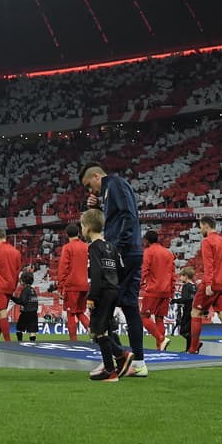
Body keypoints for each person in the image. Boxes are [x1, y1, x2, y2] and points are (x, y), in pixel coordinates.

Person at [80, 161, 148, 377]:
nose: (90, 190)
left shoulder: (115, 184)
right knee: (129, 306)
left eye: (88, 185)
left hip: (125, 252)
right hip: (132, 251)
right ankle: (138, 363)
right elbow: (118, 218)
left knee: (103, 301)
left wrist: (115, 249)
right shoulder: (110, 191)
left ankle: (116, 358)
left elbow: (129, 216)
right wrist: (98, 207)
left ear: (97, 176)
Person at [82, 209, 127, 382]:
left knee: (98, 331)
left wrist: (92, 296)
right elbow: (121, 269)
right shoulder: (111, 246)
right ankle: (120, 358)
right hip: (114, 290)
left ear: (87, 228)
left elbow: (95, 272)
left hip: (102, 292)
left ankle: (110, 370)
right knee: (103, 329)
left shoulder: (94, 247)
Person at [189, 216, 222, 358]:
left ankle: (193, 348)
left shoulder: (207, 241)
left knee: (195, 312)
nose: (200, 229)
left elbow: (208, 264)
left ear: (205, 226)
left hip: (211, 284)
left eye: (200, 226)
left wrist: (209, 283)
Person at [140, 229, 176, 351]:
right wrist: (172, 291)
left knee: (144, 316)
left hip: (153, 290)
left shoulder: (148, 252)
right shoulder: (168, 253)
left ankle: (161, 339)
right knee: (160, 318)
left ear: (146, 240)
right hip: (166, 291)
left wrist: (138, 285)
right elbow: (172, 274)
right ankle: (160, 348)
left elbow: (144, 271)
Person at [56, 222, 90, 341]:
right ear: (78, 233)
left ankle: (73, 341)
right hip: (84, 285)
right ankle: (92, 331)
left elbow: (63, 268)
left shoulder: (67, 248)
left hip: (72, 285)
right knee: (80, 312)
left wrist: (60, 287)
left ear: (67, 235)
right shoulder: (86, 246)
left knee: (71, 313)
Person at [11, 271, 40, 342]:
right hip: (34, 313)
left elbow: (22, 301)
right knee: (32, 331)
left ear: (23, 280)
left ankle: (20, 342)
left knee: (19, 328)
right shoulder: (33, 290)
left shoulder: (25, 290)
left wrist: (11, 297)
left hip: (26, 313)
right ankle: (33, 344)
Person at [173, 266, 196, 344]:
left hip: (187, 311)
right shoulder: (195, 286)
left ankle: (195, 344)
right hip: (194, 311)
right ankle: (189, 348)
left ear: (186, 276)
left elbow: (185, 299)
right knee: (189, 331)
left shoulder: (186, 286)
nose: (180, 278)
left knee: (183, 331)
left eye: (181, 276)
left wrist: (174, 301)